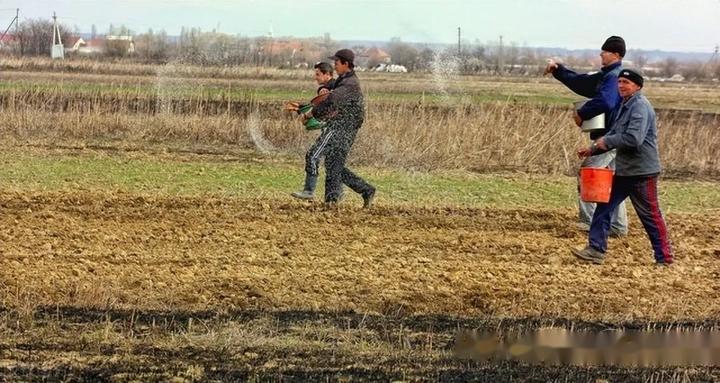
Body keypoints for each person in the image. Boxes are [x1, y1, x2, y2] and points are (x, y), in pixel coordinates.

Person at [571, 69, 673, 266]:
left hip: (642, 172)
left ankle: (664, 258)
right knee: (603, 206)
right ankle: (595, 250)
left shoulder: (640, 107)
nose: (621, 86)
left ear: (637, 86)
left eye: (626, 82)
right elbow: (615, 135)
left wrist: (605, 141)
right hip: (626, 170)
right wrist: (592, 150)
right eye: (619, 82)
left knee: (650, 215)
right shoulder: (625, 105)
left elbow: (633, 138)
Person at [544, 36, 628, 236]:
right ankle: (617, 226)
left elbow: (606, 102)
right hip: (617, 136)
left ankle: (589, 222)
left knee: (589, 172)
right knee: (611, 181)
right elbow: (581, 82)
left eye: (605, 51)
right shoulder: (607, 75)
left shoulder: (612, 77)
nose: (601, 54)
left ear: (616, 55)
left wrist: (582, 113)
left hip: (609, 137)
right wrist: (558, 70)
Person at [301, 49, 376, 208]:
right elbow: (330, 86)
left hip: (344, 127)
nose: (334, 66)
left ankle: (320, 196)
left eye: (336, 63)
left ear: (345, 64)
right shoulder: (343, 79)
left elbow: (332, 100)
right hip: (345, 127)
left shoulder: (350, 84)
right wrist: (321, 90)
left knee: (318, 156)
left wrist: (310, 114)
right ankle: (362, 191)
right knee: (334, 165)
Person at [289, 62, 336, 200]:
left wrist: (306, 115)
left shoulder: (326, 89)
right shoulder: (332, 87)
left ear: (327, 74)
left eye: (318, 74)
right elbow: (318, 106)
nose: (315, 77)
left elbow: (321, 107)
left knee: (313, 155)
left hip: (332, 129)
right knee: (334, 163)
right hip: (335, 128)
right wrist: (300, 108)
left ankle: (309, 191)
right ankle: (337, 196)